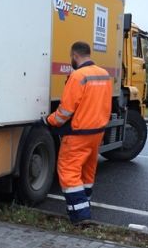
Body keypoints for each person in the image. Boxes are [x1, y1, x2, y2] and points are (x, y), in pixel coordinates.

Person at [42, 41, 112, 225]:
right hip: (97, 132)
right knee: (87, 172)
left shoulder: (77, 76)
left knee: (69, 170)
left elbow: (66, 110)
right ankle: (84, 206)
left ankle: (81, 217)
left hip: (78, 133)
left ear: (75, 56)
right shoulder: (104, 74)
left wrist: (49, 121)